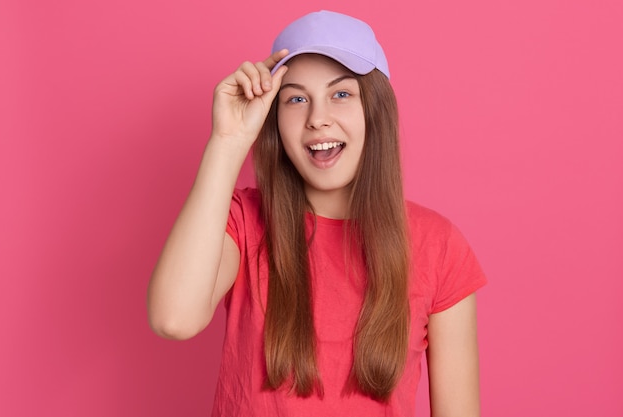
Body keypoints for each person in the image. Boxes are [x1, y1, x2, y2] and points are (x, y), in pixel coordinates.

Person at [148, 10, 487, 417]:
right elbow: (173, 319)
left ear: (374, 111)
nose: (318, 118)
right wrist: (228, 140)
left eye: (341, 94)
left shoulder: (439, 246)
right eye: (296, 99)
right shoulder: (243, 221)